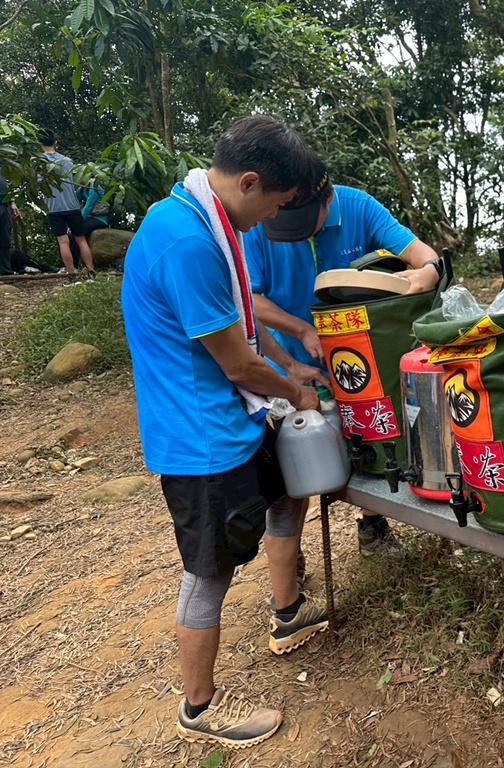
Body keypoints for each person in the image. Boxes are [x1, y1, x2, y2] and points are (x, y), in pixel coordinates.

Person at [121, 115, 335, 750]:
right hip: (201, 439)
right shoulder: (186, 241)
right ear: (250, 182)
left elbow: (242, 320)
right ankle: (199, 709)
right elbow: (238, 363)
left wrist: (291, 361)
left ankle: (288, 611)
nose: (274, 216)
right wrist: (297, 390)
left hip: (236, 419)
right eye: (275, 202)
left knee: (288, 488)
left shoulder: (214, 219)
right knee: (209, 570)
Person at [244, 175, 442, 555]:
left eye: (303, 224)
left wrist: (427, 271)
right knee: (294, 463)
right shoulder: (263, 219)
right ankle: (291, 558)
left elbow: (422, 254)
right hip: (291, 360)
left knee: (375, 434)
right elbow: (249, 299)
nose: (294, 235)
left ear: (327, 200)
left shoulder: (358, 207)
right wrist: (302, 332)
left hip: (359, 355)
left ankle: (373, 526)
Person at [38, 130, 97, 282]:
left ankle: (72, 276)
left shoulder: (39, 164)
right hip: (73, 206)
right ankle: (91, 273)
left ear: (40, 143)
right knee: (81, 239)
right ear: (55, 142)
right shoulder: (67, 161)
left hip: (54, 208)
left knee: (63, 241)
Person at [69, 180, 110, 269]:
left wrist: (77, 222)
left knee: (75, 233)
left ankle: (78, 267)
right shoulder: (82, 189)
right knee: (71, 235)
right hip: (89, 218)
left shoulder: (94, 187)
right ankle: (73, 266)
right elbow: (74, 202)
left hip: (99, 218)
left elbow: (88, 206)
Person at [0, 168, 21, 276]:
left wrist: (12, 202)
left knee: (5, 240)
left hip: (4, 205)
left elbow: (5, 185)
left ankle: (6, 272)